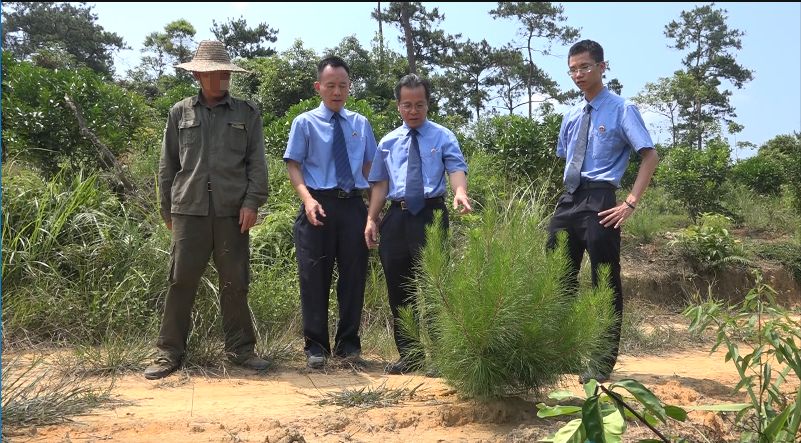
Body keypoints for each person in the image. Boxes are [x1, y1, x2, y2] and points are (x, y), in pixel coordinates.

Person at [145, 40, 270, 380]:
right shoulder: (180, 112)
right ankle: (169, 353)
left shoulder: (246, 113)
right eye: (214, 73)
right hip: (189, 210)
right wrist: (167, 209)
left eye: (225, 73)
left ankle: (241, 350)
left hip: (232, 212)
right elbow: (168, 165)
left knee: (235, 282)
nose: (221, 79)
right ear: (199, 75)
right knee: (180, 280)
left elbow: (257, 164)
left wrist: (252, 202)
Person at [548, 39, 659, 383]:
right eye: (573, 69)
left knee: (604, 280)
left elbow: (649, 156)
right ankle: (562, 351)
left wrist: (630, 202)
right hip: (569, 199)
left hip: (601, 200)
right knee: (558, 278)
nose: (579, 74)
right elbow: (566, 158)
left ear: (602, 67)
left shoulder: (623, 109)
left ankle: (600, 361)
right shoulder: (570, 114)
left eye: (585, 67)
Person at [365, 74, 472, 375]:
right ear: (398, 105)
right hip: (396, 218)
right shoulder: (387, 142)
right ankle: (410, 355)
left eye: (420, 105)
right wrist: (372, 219)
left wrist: (460, 192)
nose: (414, 111)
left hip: (430, 215)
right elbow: (380, 185)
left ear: (428, 104)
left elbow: (456, 169)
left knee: (435, 286)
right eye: (407, 105)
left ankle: (441, 355)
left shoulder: (442, 136)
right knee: (399, 289)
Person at [284, 56, 378, 369]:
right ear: (318, 87)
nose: (337, 91)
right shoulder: (305, 122)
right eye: (330, 86)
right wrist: (307, 200)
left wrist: (373, 213)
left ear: (350, 87)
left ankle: (349, 345)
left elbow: (370, 168)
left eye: (342, 86)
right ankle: (315, 346)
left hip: (352, 205)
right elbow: (293, 165)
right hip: (317, 204)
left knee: (353, 277)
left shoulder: (361, 124)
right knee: (314, 277)